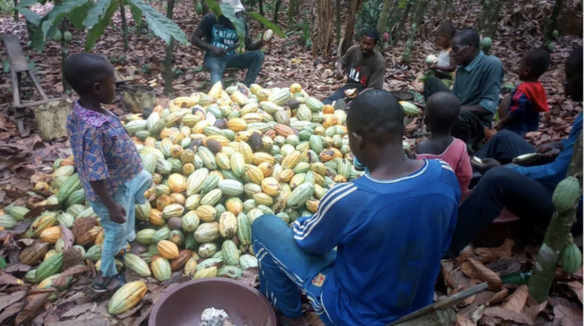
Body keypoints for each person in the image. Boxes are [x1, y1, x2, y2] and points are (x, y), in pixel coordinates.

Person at [251, 90, 460, 326]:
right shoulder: (444, 174)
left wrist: (302, 221)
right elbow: (443, 244)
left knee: (265, 227)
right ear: (403, 130)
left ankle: (291, 318)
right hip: (415, 307)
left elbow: (308, 241)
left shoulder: (348, 199)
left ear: (357, 139)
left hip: (351, 314)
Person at [448, 47, 583, 254]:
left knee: (498, 179)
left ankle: (446, 244)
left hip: (574, 208)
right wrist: (562, 145)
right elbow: (576, 152)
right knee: (504, 139)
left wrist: (508, 169)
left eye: (570, 76)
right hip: (565, 178)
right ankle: (458, 188)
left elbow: (560, 174)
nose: (565, 82)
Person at [64, 54, 152, 292]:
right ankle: (105, 275)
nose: (116, 87)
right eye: (113, 82)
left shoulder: (86, 111)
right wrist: (110, 205)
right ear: (97, 88)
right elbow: (95, 174)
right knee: (114, 230)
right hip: (111, 191)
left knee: (143, 181)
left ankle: (129, 234)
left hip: (123, 180)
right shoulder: (92, 129)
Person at [423, 29, 504, 153]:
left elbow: (488, 106)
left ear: (470, 46)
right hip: (458, 108)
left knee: (453, 113)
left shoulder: (491, 64)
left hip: (476, 121)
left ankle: (467, 144)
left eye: (455, 49)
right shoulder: (462, 67)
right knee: (431, 82)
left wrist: (451, 109)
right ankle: (439, 132)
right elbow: (455, 99)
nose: (453, 54)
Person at [191, 0, 267, 87]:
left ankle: (249, 87)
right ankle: (220, 96)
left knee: (258, 55)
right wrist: (213, 48)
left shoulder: (240, 22)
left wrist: (261, 43)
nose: (235, 14)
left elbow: (248, 45)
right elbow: (194, 39)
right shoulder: (211, 18)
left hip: (231, 57)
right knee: (217, 81)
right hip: (213, 58)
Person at [415, 92, 472, 196]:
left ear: (426, 120)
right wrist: (460, 192)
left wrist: (411, 160)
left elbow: (419, 178)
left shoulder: (421, 148)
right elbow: (466, 175)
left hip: (427, 197)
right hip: (449, 195)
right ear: (457, 121)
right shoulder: (460, 145)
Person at [323, 27, 386, 107]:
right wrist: (339, 70)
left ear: (374, 45)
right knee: (327, 103)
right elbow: (341, 61)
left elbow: (374, 88)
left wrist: (357, 97)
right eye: (363, 43)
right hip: (349, 88)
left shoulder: (378, 62)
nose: (365, 46)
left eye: (369, 44)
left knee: (348, 111)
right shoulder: (353, 50)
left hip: (366, 93)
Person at [495, 49, 550, 136]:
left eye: (520, 66)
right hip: (530, 128)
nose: (518, 68)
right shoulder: (538, 87)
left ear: (526, 71)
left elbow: (516, 111)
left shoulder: (523, 89)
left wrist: (502, 122)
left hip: (515, 129)